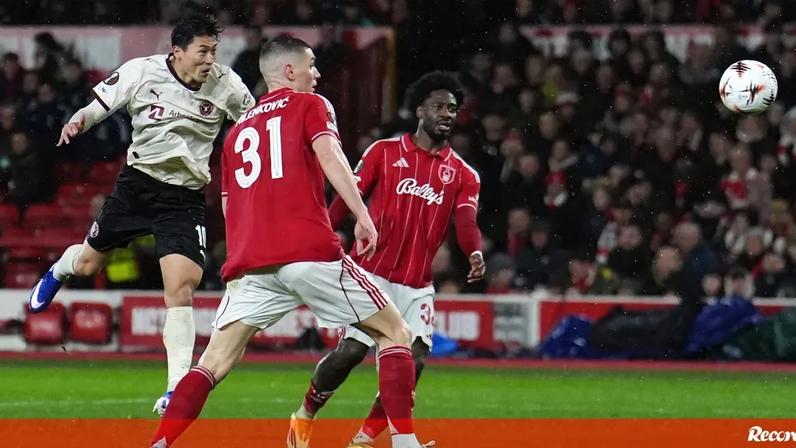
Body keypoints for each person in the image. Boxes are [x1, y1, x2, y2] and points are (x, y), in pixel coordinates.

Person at [149, 36, 431, 448]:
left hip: (250, 264)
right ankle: (404, 443)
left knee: (212, 363)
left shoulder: (236, 131)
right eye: (311, 65)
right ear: (288, 71)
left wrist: (239, 260)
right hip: (305, 251)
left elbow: (229, 207)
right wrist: (363, 215)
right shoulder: (311, 105)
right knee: (395, 334)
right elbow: (331, 156)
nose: (316, 74)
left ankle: (159, 443)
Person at [28, 13, 254, 414]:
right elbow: (99, 106)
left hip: (183, 198)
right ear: (178, 52)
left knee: (181, 288)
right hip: (137, 186)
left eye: (214, 52)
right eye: (202, 51)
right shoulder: (142, 72)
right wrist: (79, 120)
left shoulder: (228, 86)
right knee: (86, 265)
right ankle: (60, 269)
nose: (209, 60)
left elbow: (257, 126)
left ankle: (175, 387)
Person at [290, 71, 485, 448]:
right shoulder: (383, 152)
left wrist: (473, 250)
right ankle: (305, 414)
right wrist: (323, 234)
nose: (447, 114)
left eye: (453, 109)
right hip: (371, 276)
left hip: (417, 285)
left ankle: (365, 438)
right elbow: (349, 197)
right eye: (439, 107)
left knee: (414, 361)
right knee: (351, 351)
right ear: (419, 110)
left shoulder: (463, 173)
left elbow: (466, 220)